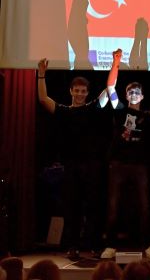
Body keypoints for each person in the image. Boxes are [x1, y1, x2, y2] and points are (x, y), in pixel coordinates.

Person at [36, 59, 109, 260]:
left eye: (83, 91)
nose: (79, 94)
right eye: (76, 90)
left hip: (91, 165)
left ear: (87, 93)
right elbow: (43, 99)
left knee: (93, 207)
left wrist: (115, 66)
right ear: (71, 91)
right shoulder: (63, 111)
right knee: (72, 207)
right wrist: (41, 74)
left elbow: (109, 90)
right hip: (71, 165)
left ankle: (95, 245)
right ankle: (73, 246)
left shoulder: (93, 108)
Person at [100, 49, 150, 259]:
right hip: (118, 164)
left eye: (137, 91)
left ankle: (149, 244)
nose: (134, 94)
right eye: (130, 91)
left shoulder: (145, 114)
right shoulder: (120, 110)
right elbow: (110, 87)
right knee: (113, 205)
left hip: (140, 165)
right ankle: (110, 245)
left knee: (144, 205)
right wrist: (116, 63)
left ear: (142, 96)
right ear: (126, 95)